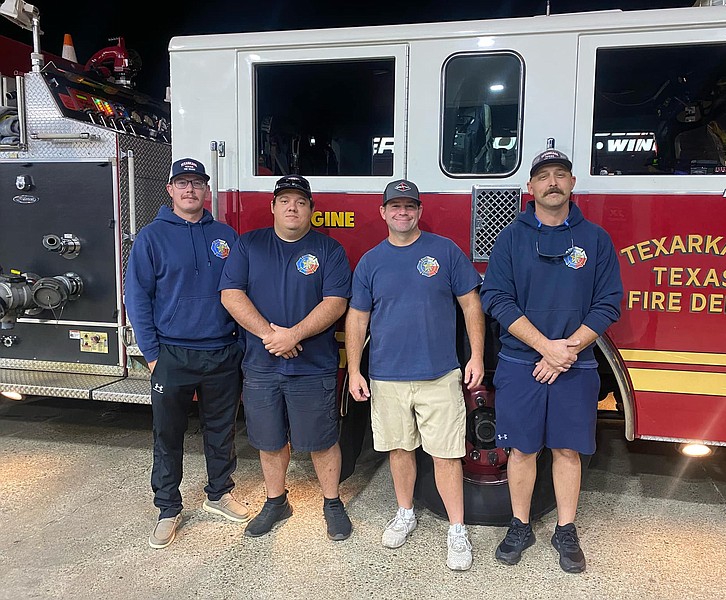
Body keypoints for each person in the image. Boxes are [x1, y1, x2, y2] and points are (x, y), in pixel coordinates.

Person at [480, 148, 623, 572]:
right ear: (530, 188)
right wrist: (547, 347)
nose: (553, 182)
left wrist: (567, 350)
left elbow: (609, 302)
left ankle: (565, 529)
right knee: (522, 450)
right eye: (544, 176)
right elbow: (496, 298)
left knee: (567, 450)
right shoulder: (509, 238)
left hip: (574, 366)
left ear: (573, 184)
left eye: (561, 175)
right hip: (521, 363)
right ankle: (520, 525)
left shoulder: (596, 240)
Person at [345, 179, 485, 571]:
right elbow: (358, 317)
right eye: (395, 206)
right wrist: (355, 369)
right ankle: (405, 511)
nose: (402, 212)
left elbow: (471, 305)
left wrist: (476, 356)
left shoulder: (445, 251)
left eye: (409, 206)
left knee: (446, 455)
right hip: (387, 376)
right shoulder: (371, 262)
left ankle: (456, 529)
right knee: (399, 449)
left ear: (419, 211)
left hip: (439, 374)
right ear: (383, 212)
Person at [219, 174, 353, 541]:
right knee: (268, 439)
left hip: (313, 367)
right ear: (273, 207)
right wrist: (270, 335)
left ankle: (332, 503)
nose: (292, 207)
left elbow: (336, 302)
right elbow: (231, 294)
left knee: (322, 439)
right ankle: (276, 502)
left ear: (311, 209)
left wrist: (293, 335)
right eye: (285, 201)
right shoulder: (249, 245)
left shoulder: (330, 251)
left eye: (300, 201)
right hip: (262, 365)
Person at [126, 157, 247, 550]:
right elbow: (137, 297)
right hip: (172, 354)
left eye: (197, 183)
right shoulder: (151, 237)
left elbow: (242, 292)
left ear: (206, 190)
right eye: (182, 183)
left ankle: (219, 493)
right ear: (171, 191)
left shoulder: (227, 235)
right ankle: (167, 508)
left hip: (222, 352)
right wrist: (152, 353)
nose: (190, 190)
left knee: (221, 429)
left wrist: (240, 344)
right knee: (168, 435)